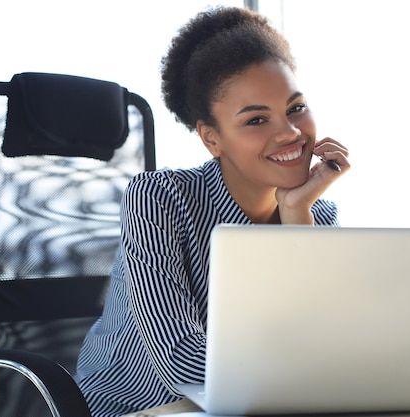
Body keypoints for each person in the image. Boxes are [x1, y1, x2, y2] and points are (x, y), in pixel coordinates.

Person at [75, 5, 350, 417]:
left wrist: (296, 217)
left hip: (247, 405)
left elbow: (320, 341)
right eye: (257, 119)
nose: (290, 133)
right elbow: (179, 357)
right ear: (211, 138)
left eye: (295, 109)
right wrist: (307, 377)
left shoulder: (317, 216)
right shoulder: (160, 199)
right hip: (136, 408)